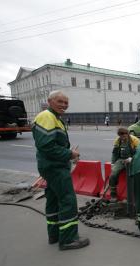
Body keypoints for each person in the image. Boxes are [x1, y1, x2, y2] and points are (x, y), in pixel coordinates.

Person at [32, 90, 90, 250]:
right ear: (50, 101)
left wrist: (67, 153)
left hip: (51, 166)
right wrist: (70, 153)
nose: (64, 105)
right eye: (60, 101)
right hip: (55, 168)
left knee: (53, 200)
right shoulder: (47, 116)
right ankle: (68, 239)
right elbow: (47, 146)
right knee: (67, 201)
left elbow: (50, 145)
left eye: (66, 102)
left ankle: (55, 235)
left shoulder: (52, 117)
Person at [109, 127, 140, 202]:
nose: (122, 137)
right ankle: (113, 195)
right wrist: (113, 163)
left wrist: (131, 159)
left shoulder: (134, 140)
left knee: (131, 176)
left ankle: (130, 197)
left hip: (133, 160)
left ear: (127, 134)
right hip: (121, 160)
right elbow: (115, 153)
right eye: (120, 136)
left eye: (124, 135)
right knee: (113, 175)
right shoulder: (118, 141)